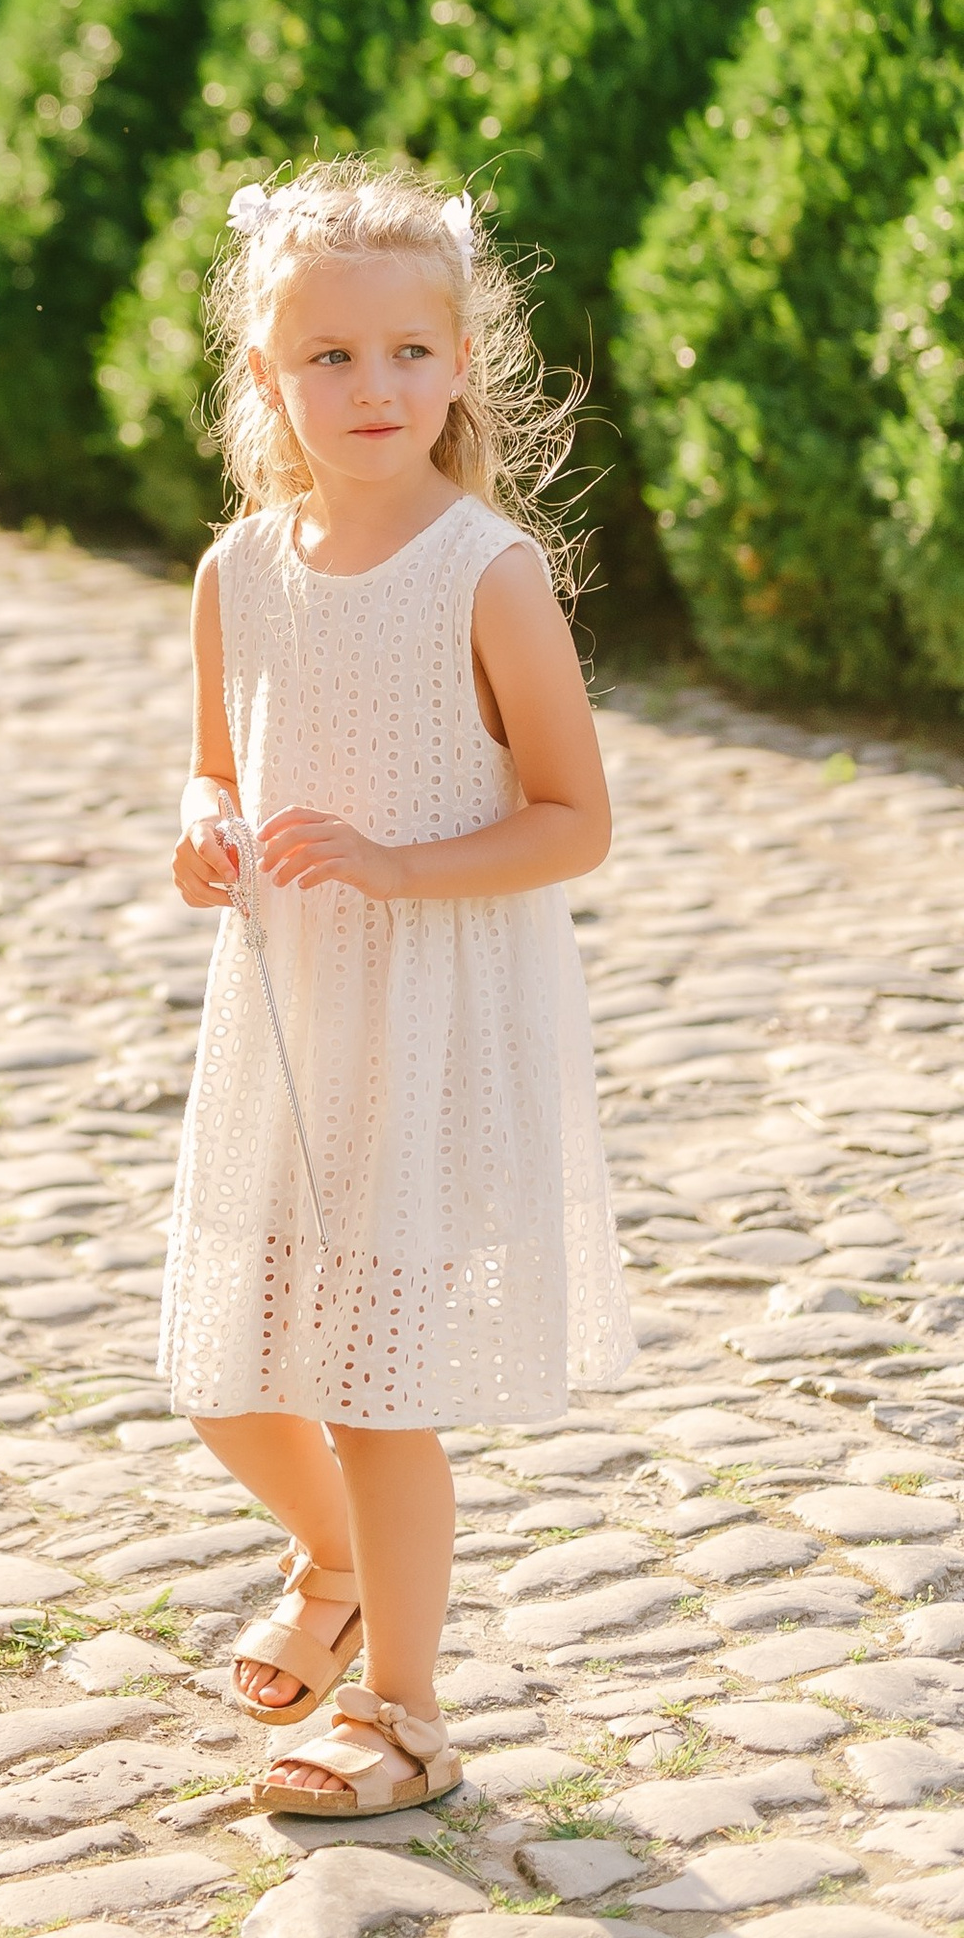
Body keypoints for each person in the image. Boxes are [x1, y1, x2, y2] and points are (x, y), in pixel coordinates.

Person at [162, 159, 630, 1817]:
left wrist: (397, 866)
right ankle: (334, 1557)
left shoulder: (486, 573)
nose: (375, 386)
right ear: (268, 373)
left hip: (430, 1018)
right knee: (225, 1374)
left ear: (460, 362)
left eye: (410, 352)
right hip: (290, 1020)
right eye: (332, 356)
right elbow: (216, 770)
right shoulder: (238, 571)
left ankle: (404, 1712)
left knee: (371, 1388)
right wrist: (205, 830)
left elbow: (574, 819)